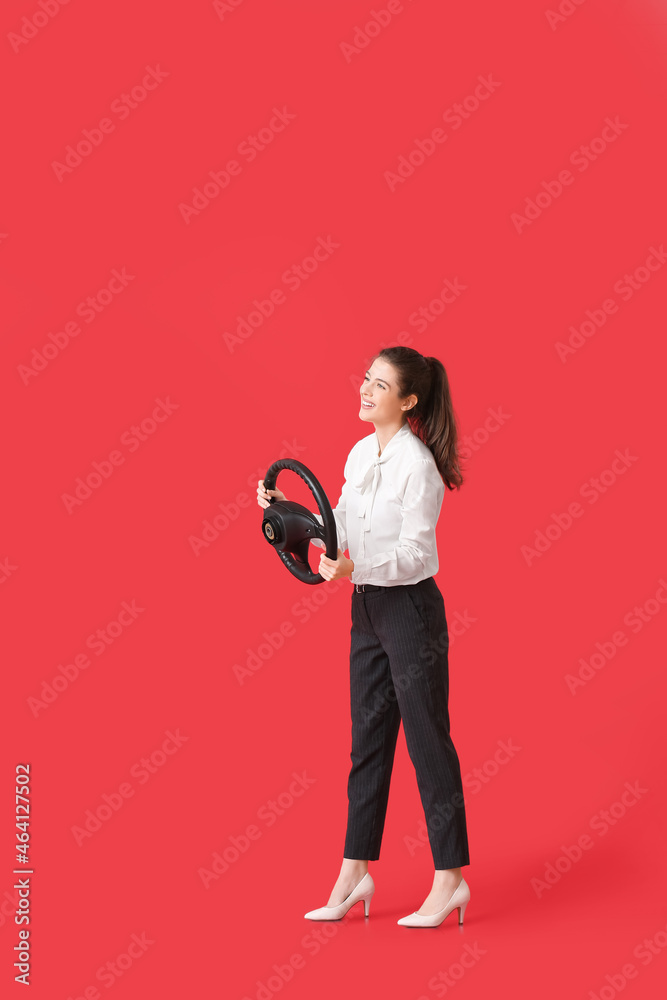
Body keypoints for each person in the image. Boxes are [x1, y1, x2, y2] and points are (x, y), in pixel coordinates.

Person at [257, 346, 471, 928]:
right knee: (368, 744)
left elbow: (418, 553)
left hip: (409, 610)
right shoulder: (359, 453)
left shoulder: (417, 464)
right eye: (366, 379)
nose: (366, 389)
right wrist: (289, 510)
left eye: (380, 385)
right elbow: (341, 521)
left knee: (428, 742)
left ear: (407, 401)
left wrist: (357, 567)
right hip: (367, 612)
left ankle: (449, 879)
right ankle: (355, 873)